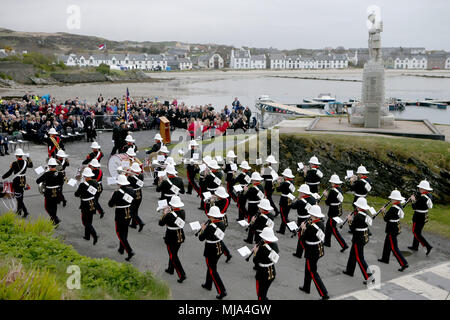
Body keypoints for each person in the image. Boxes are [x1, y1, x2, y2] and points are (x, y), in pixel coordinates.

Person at [299, 205, 329, 300]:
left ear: (314, 216)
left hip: (312, 251)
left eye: (311, 215)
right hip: (318, 249)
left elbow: (303, 239)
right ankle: (306, 287)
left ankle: (324, 293)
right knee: (308, 269)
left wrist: (303, 230)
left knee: (312, 271)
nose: (310, 216)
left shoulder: (311, 227)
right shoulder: (320, 223)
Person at [198, 206, 227, 300]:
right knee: (211, 266)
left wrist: (202, 229)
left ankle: (222, 290)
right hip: (219, 247)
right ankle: (208, 284)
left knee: (212, 269)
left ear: (211, 216)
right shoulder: (222, 223)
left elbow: (201, 238)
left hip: (211, 249)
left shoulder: (210, 227)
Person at [343, 197, 374, 284]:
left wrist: (349, 220)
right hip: (364, 235)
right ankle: (349, 270)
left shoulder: (358, 216)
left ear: (358, 207)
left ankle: (370, 277)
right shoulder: (365, 213)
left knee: (360, 258)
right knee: (353, 254)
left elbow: (352, 229)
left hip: (358, 238)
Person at [378, 190, 409, 271]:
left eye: (392, 199)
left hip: (392, 228)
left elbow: (386, 219)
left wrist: (383, 212)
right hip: (395, 226)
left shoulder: (393, 208)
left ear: (395, 199)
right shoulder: (399, 205)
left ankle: (403, 263)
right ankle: (385, 258)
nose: (391, 200)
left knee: (394, 247)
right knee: (387, 242)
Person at [158, 195, 187, 283]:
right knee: (174, 252)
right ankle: (171, 269)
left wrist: (164, 213)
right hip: (180, 235)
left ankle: (182, 274)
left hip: (171, 236)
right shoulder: (182, 212)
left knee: (173, 255)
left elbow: (161, 223)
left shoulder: (169, 215)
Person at [108, 174, 136, 261]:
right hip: (129, 213)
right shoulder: (131, 190)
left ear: (119, 183)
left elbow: (110, 205)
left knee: (120, 233)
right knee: (125, 231)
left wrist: (112, 196)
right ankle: (121, 248)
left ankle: (129, 251)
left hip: (120, 214)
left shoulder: (117, 193)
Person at [2, 148, 33, 217]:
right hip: (23, 180)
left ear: (16, 156)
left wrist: (4, 176)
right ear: (22, 155)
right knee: (20, 196)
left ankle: (25, 211)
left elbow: (10, 172)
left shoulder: (15, 163)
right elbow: (31, 165)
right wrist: (28, 157)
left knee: (18, 197)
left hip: (17, 181)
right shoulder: (25, 162)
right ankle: (19, 211)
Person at [253, 227, 279, 300]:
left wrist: (255, 252)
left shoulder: (262, 248)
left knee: (260, 295)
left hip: (262, 273)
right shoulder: (275, 245)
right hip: (272, 271)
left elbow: (256, 261)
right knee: (264, 292)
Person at [323, 174, 348, 252]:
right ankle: (327, 242)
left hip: (333, 211)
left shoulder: (333, 191)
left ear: (333, 183)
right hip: (338, 209)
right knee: (328, 227)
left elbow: (327, 202)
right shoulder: (339, 189)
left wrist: (325, 196)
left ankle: (344, 244)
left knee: (333, 229)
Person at [36, 158, 64, 225]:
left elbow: (37, 181)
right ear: (55, 165)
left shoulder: (47, 174)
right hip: (56, 192)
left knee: (47, 207)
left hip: (48, 192)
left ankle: (55, 218)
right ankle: (54, 220)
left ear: (49, 166)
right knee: (54, 206)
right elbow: (62, 183)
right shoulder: (59, 174)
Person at [74, 167, 99, 245]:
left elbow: (76, 194)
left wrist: (79, 191)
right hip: (93, 202)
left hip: (85, 204)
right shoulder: (95, 182)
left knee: (85, 221)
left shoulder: (82, 185)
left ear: (85, 176)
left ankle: (94, 235)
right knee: (90, 220)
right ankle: (87, 235)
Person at [291, 184, 316, 258]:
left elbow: (293, 206)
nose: (299, 193)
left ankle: (299, 253)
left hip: (302, 219)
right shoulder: (312, 198)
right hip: (310, 218)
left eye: (300, 192)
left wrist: (296, 199)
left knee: (301, 236)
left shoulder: (300, 201)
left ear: (303, 193)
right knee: (305, 235)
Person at [408, 180, 433, 255]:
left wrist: (412, 200)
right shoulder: (429, 195)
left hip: (418, 216)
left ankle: (428, 246)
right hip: (424, 215)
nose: (419, 189)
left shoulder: (423, 197)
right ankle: (415, 246)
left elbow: (414, 207)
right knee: (418, 231)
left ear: (423, 189)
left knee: (416, 232)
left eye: (420, 188)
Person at [242, 172, 265, 243]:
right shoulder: (261, 187)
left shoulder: (252, 188)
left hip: (252, 206)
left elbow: (245, 197)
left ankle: (250, 239)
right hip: (259, 205)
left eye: (252, 180)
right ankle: (253, 238)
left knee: (251, 221)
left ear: (254, 180)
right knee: (256, 221)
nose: (251, 181)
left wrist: (245, 190)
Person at [276, 168, 295, 235]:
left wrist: (279, 183)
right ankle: (282, 230)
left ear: (286, 176)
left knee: (284, 217)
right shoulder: (292, 182)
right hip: (289, 199)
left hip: (284, 200)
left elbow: (278, 190)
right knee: (285, 216)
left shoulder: (284, 183)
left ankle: (293, 229)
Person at [127, 162, 145, 232]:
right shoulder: (141, 175)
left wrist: (128, 176)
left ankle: (140, 222)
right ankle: (134, 224)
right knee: (135, 210)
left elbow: (127, 184)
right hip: (139, 194)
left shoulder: (131, 178)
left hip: (133, 194)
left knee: (131, 211)